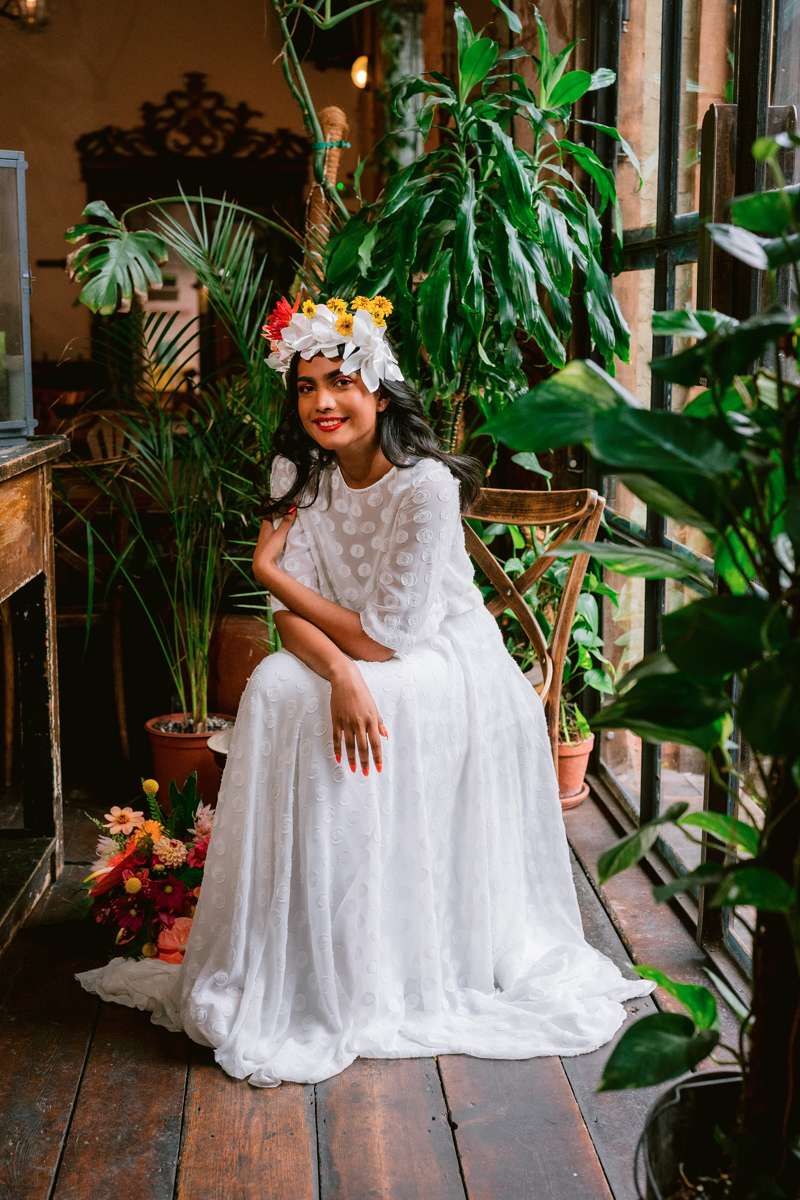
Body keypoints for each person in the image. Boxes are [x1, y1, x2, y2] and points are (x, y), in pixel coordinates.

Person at [75, 294, 655, 1088]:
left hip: (440, 660)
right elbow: (290, 624)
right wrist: (339, 669)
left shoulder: (424, 487)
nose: (322, 401)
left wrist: (278, 579)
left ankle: (368, 962)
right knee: (277, 685)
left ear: (379, 390)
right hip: (349, 651)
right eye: (306, 385)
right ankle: (290, 947)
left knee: (318, 694)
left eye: (340, 381)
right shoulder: (298, 474)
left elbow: (388, 638)